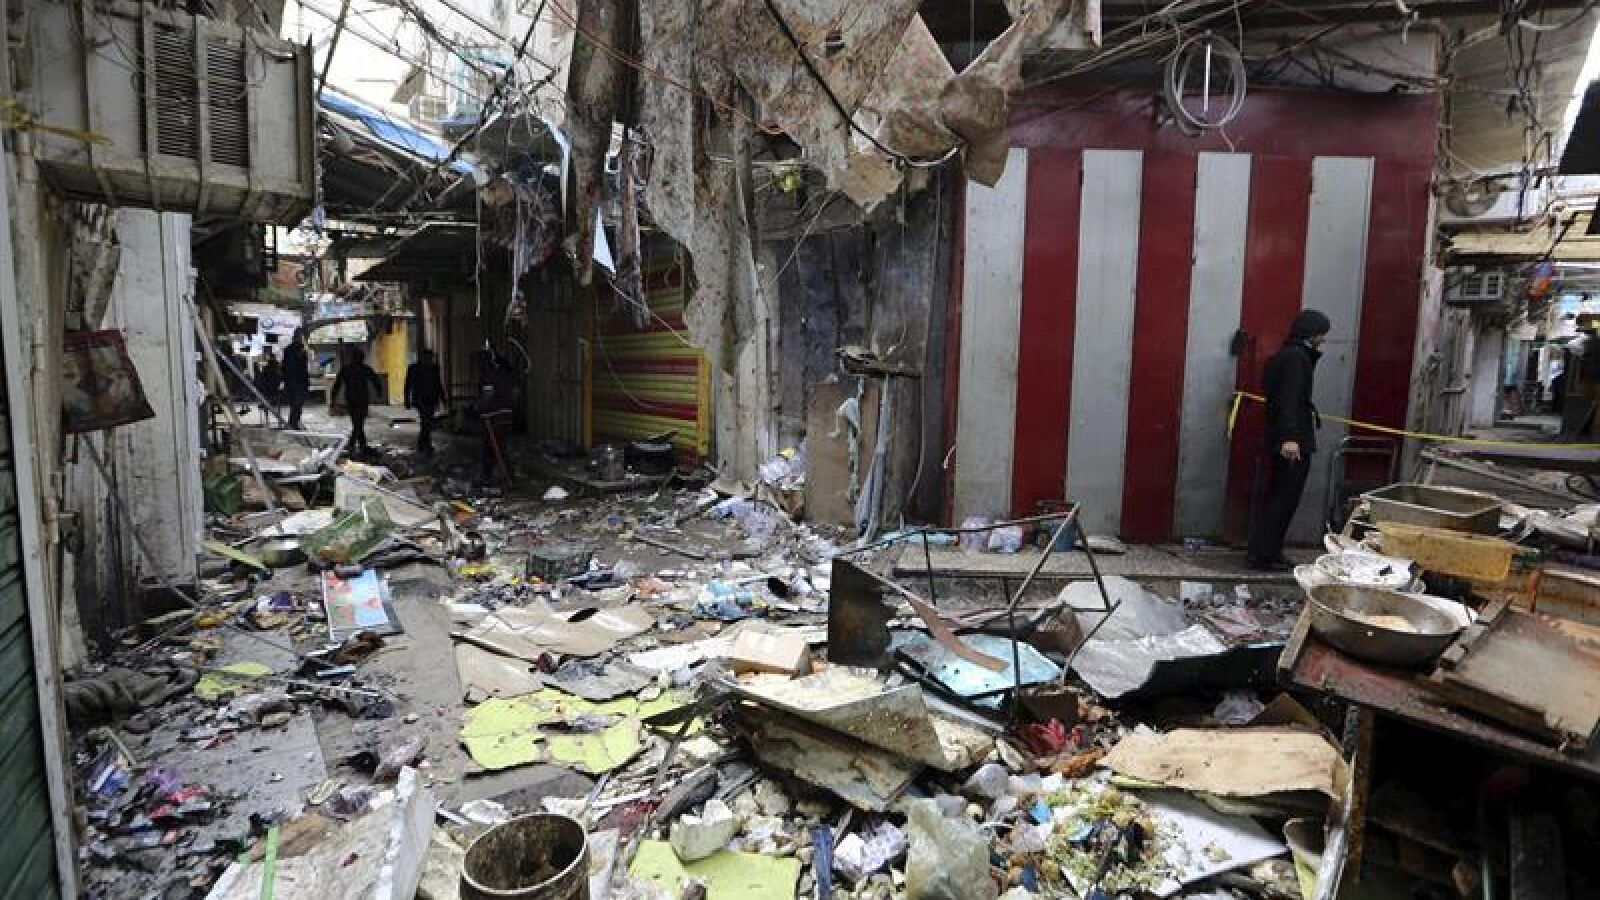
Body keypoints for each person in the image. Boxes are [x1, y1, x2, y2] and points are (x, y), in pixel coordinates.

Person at [1248, 308, 1330, 572]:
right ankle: (1266, 553)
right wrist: (1291, 438)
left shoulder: (1287, 355)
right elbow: (1290, 400)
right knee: (1284, 497)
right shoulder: (1296, 359)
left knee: (1279, 496)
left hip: (1282, 437)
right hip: (1291, 441)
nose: (1324, 339)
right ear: (1312, 333)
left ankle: (1266, 550)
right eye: (1322, 334)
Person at [331, 346, 383, 456]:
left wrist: (333, 399)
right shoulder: (365, 369)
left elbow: (337, 385)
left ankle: (354, 444)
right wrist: (379, 393)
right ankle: (358, 445)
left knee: (356, 422)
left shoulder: (346, 369)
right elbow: (376, 381)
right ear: (362, 358)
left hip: (351, 399)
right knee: (359, 423)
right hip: (362, 399)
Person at [404, 348, 444, 454]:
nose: (429, 359)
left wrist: (442, 397)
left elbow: (438, 383)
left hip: (431, 399)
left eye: (430, 357)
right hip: (421, 399)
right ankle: (425, 444)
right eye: (428, 357)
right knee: (426, 420)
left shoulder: (433, 368)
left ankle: (423, 443)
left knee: (427, 421)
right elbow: (408, 385)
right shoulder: (414, 368)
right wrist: (407, 399)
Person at [282, 328, 310, 430]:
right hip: (297, 382)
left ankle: (293, 423)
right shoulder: (299, 349)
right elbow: (288, 365)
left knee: (296, 405)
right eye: (304, 336)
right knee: (296, 405)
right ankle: (293, 424)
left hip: (293, 382)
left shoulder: (289, 349)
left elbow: (285, 366)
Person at [254, 353, 282, 421]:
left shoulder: (268, 368)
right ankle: (265, 405)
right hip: (274, 389)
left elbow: (262, 378)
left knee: (262, 388)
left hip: (268, 389)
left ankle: (265, 409)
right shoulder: (277, 367)